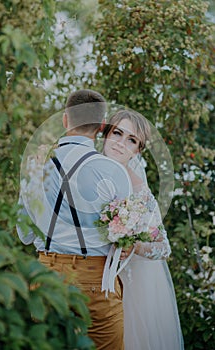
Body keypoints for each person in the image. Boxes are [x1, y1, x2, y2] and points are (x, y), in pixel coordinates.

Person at [16, 89, 133, 350]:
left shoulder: (36, 167)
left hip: (46, 276)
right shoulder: (113, 171)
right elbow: (125, 237)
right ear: (102, 126)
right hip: (96, 281)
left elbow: (24, 233)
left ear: (65, 120)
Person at [102, 109, 184, 350]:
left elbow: (163, 248)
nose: (121, 143)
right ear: (105, 134)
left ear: (138, 150)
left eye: (131, 140)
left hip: (131, 295)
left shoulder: (140, 193)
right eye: (117, 133)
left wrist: (134, 245)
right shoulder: (85, 174)